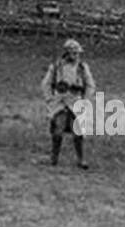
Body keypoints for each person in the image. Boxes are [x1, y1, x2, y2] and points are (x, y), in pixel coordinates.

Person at [41, 39, 95, 169]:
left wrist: (85, 100)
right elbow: (46, 84)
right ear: (67, 53)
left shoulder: (82, 67)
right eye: (73, 53)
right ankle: (54, 157)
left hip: (76, 102)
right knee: (57, 131)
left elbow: (90, 85)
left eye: (77, 53)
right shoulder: (56, 67)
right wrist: (50, 99)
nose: (76, 56)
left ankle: (80, 159)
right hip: (60, 102)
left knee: (78, 132)